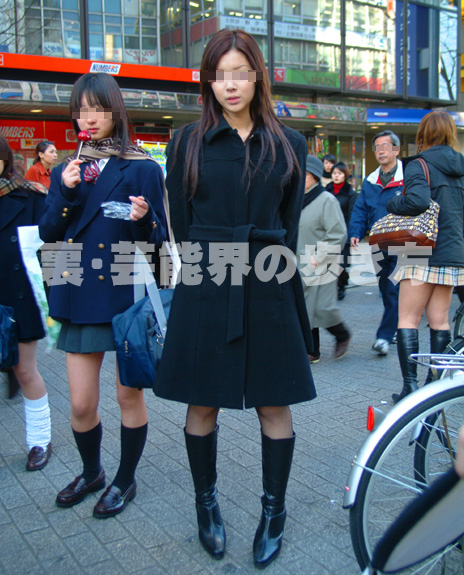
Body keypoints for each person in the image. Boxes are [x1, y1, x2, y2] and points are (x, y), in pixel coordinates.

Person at [153, 29, 316, 568]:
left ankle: (274, 513)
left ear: (257, 76)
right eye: (220, 73)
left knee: (275, 401)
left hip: (268, 280)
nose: (230, 84)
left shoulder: (289, 143)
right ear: (208, 79)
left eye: (240, 72)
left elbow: (288, 226)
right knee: (203, 402)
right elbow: (179, 221)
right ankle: (207, 506)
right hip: (206, 281)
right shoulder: (186, 142)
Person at [39, 73, 167, 518]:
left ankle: (125, 479)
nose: (88, 119)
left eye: (97, 109)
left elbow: (159, 243)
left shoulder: (144, 167)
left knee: (128, 396)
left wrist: (143, 219)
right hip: (80, 293)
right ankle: (92, 471)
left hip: (127, 295)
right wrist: (68, 194)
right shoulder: (65, 171)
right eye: (81, 110)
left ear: (116, 112)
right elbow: (49, 233)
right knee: (79, 402)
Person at [0, 127, 52, 470]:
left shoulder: (32, 197)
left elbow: (51, 249)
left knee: (25, 372)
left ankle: (40, 440)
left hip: (21, 299)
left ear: (5, 157)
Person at [386, 111, 464, 404]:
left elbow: (416, 201)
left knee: (407, 318)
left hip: (419, 248)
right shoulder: (461, 165)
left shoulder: (419, 164)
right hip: (453, 250)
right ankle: (435, 387)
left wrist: (393, 202)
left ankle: (410, 388)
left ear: (424, 135)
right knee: (439, 321)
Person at [349, 130, 404, 356]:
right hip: (379, 244)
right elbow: (361, 208)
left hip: (406, 243)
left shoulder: (410, 176)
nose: (381, 150)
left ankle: (385, 335)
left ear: (396, 150)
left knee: (394, 290)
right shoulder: (372, 180)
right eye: (377, 147)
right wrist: (355, 231)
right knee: (385, 288)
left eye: (385, 146)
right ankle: (400, 327)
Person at [297, 156, 352, 363]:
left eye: (306, 175)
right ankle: (312, 351)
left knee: (322, 308)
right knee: (305, 306)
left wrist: (318, 256)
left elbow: (338, 234)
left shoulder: (326, 200)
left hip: (322, 261)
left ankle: (342, 335)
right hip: (300, 260)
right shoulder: (296, 200)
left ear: (315, 177)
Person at [326, 161, 356, 300]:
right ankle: (333, 286)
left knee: (342, 263)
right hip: (328, 231)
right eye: (334, 173)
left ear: (345, 175)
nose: (336, 176)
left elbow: (351, 215)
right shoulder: (327, 190)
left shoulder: (350, 193)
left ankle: (341, 284)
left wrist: (351, 235)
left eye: (339, 173)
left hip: (343, 231)